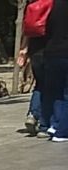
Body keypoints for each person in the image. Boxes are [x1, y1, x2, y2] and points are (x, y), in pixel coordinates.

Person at [18, 0, 52, 135]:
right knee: (52, 87)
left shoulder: (32, 4)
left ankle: (33, 114)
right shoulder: (55, 4)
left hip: (35, 50)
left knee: (40, 84)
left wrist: (23, 49)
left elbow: (26, 30)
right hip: (51, 48)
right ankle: (45, 124)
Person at [39, 0, 68, 142]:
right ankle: (62, 132)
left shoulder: (55, 5)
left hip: (52, 53)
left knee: (57, 93)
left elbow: (47, 28)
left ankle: (55, 124)